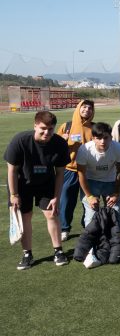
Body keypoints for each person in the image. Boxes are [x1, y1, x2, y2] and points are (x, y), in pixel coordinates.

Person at [5, 111, 70, 269]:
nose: (47, 132)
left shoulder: (60, 143)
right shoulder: (20, 141)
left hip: (46, 182)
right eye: (43, 128)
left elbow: (60, 173)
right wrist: (14, 195)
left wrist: (56, 197)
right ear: (35, 126)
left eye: (50, 129)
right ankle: (27, 254)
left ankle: (58, 251)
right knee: (25, 216)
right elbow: (12, 170)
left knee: (52, 214)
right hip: (22, 183)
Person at [77, 122, 120, 229]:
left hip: (111, 181)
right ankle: (91, 239)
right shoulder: (84, 149)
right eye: (98, 138)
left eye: (106, 138)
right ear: (93, 138)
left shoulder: (119, 148)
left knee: (115, 211)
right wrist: (89, 196)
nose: (102, 141)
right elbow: (81, 174)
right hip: (90, 180)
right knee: (91, 213)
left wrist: (116, 193)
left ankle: (116, 237)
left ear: (111, 137)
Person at [57, 99, 95, 241]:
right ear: (78, 108)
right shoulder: (67, 126)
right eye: (84, 107)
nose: (87, 110)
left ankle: (88, 227)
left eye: (90, 108)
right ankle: (64, 228)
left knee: (89, 200)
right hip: (70, 170)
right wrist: (62, 140)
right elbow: (55, 148)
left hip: (89, 171)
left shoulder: (94, 128)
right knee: (66, 201)